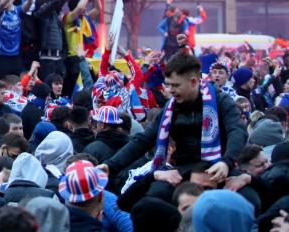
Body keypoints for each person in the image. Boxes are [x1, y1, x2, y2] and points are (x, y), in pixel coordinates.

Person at [102, 53, 247, 186]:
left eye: (176, 85)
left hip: (219, 169)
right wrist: (110, 165)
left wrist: (226, 162)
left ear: (194, 81)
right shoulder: (169, 108)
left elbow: (237, 131)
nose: (170, 90)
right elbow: (143, 140)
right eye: (168, 84)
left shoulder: (221, 101)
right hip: (181, 173)